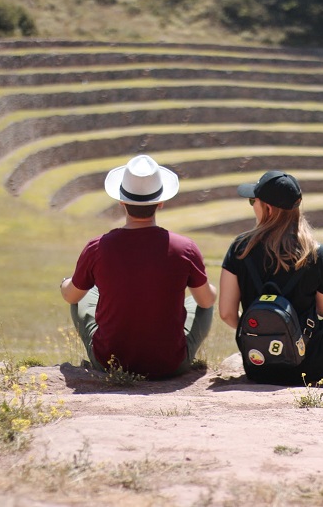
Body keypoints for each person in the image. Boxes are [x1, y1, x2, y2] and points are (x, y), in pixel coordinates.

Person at [219, 170, 323, 385]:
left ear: (268, 208)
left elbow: (226, 313)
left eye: (253, 200)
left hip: (257, 365)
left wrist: (261, 333)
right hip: (310, 367)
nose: (252, 205)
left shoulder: (239, 248)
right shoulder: (315, 252)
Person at [60, 155, 217, 379]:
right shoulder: (185, 248)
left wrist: (64, 283)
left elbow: (70, 296)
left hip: (109, 363)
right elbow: (206, 301)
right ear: (160, 202)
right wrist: (213, 290)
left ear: (121, 201)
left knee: (82, 294)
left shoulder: (98, 247)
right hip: (170, 365)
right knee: (204, 299)